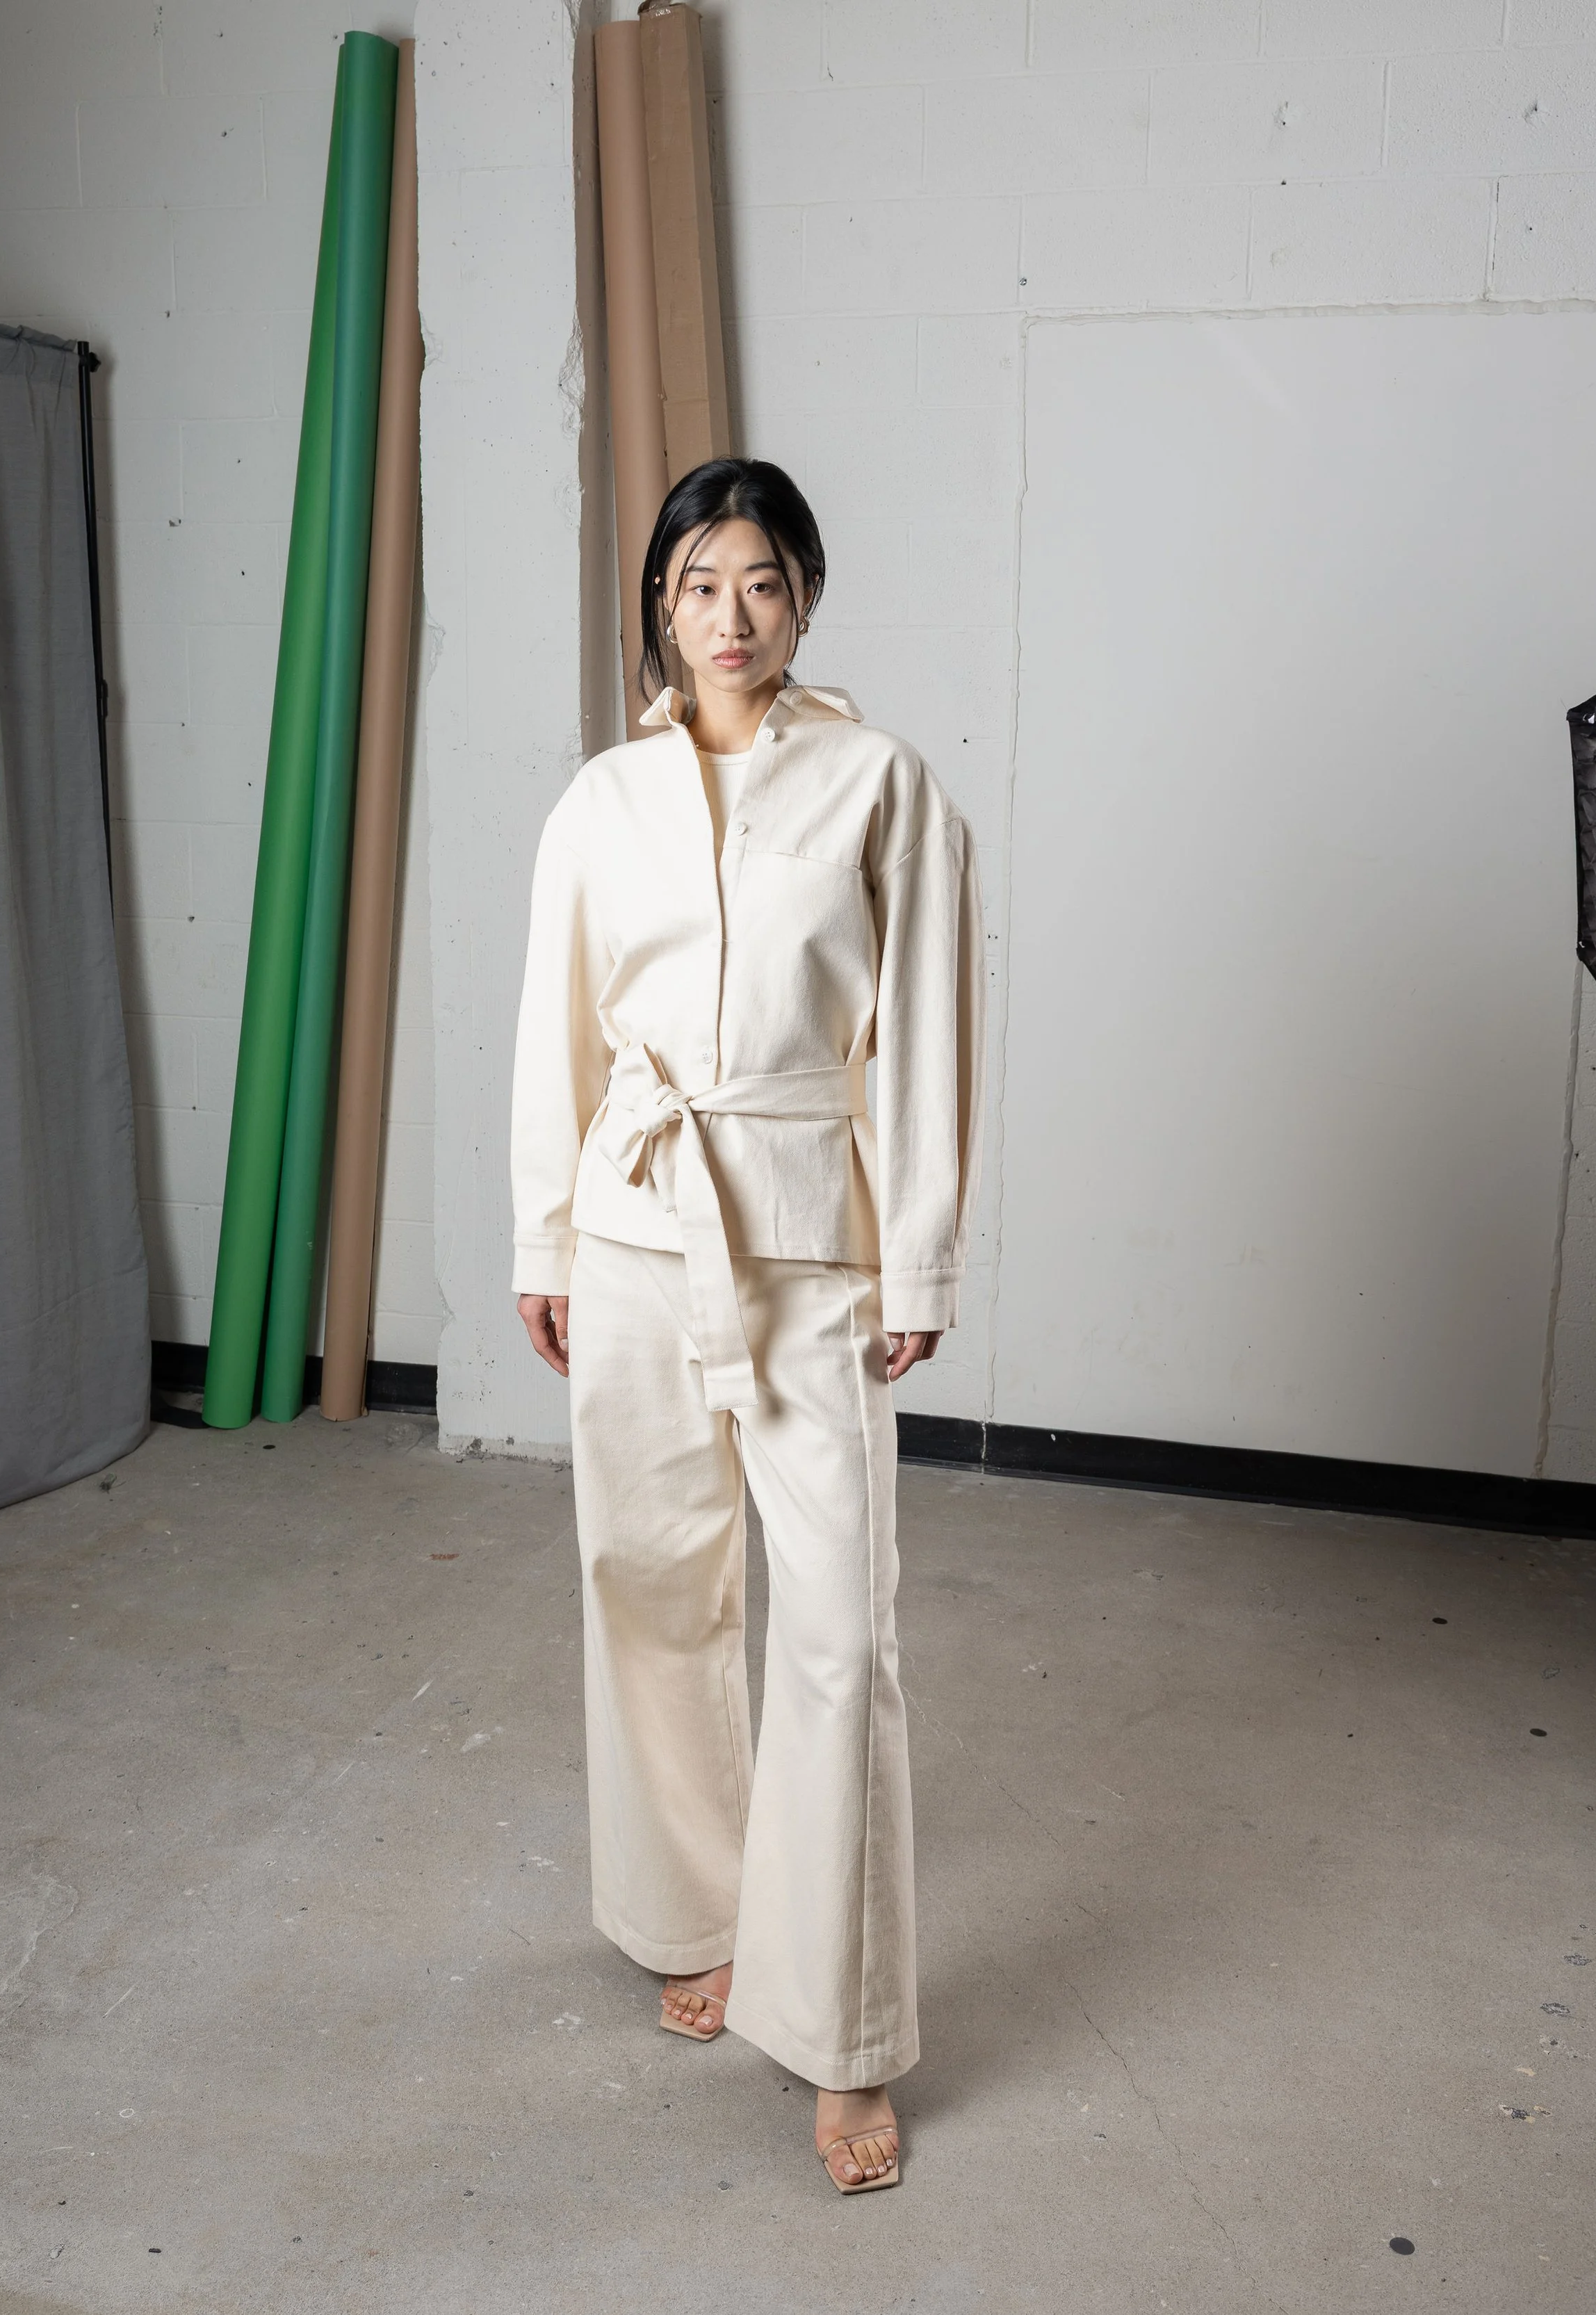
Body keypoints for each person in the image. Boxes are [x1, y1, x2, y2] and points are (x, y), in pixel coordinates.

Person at [510, 458, 984, 2193]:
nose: (729, 615)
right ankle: (696, 1912)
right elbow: (553, 1031)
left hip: (804, 1250)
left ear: (803, 601)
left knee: (839, 1640)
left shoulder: (880, 788)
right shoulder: (602, 801)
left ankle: (843, 2039)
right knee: (647, 1580)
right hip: (634, 1231)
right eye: (699, 581)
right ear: (660, 601)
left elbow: (923, 1035)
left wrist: (913, 1260)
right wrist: (545, 1237)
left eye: (762, 582)